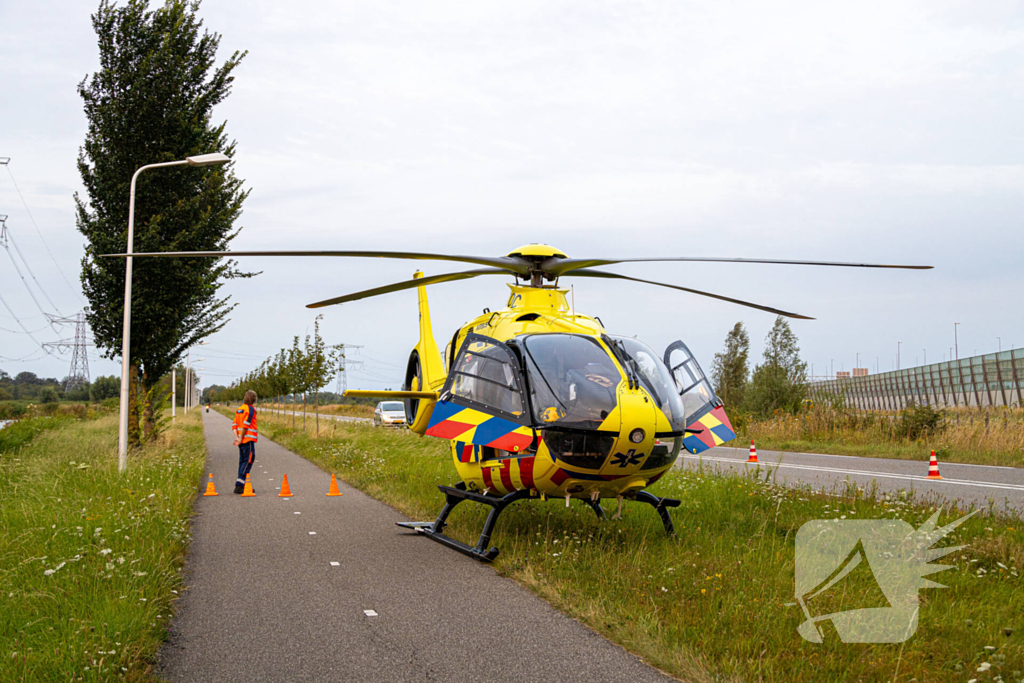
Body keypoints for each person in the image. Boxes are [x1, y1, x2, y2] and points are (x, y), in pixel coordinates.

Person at [232, 390, 259, 494]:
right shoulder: (250, 409)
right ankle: (240, 485)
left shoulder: (239, 409)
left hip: (241, 440)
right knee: (249, 460)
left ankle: (240, 483)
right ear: (254, 399)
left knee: (243, 461)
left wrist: (237, 437)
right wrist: (241, 438)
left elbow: (234, 425)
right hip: (248, 440)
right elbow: (246, 424)